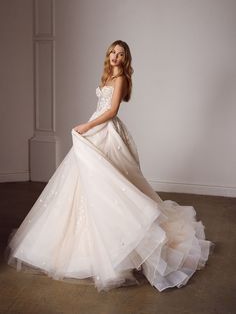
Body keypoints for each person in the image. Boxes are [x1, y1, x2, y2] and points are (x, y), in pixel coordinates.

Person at [6, 40, 215, 293]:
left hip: (106, 133)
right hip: (96, 128)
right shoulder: (108, 75)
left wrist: (86, 126)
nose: (116, 56)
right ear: (109, 54)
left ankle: (124, 243)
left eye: (121, 53)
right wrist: (89, 125)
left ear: (126, 59)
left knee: (110, 184)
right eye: (113, 52)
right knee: (85, 181)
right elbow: (101, 107)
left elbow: (112, 110)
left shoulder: (121, 79)